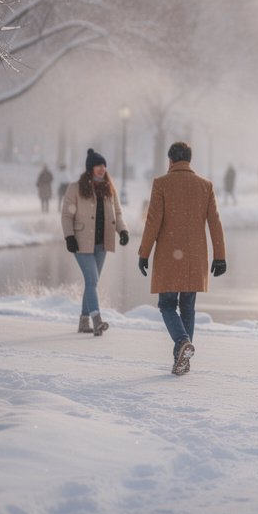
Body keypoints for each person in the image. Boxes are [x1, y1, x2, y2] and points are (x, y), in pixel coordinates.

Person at [138, 142, 227, 376]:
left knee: (167, 304)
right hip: (195, 257)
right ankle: (184, 359)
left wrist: (143, 253)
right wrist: (220, 256)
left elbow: (153, 222)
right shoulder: (205, 185)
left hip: (169, 256)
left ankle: (181, 342)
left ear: (170, 160)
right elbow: (215, 222)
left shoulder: (161, 184)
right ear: (189, 159)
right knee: (188, 306)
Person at [61, 149, 127, 336]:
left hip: (101, 244)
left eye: (104, 165)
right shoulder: (75, 187)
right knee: (92, 280)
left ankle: (83, 322)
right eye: (98, 166)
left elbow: (118, 213)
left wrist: (123, 230)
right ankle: (97, 320)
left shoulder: (109, 188)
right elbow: (66, 215)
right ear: (90, 168)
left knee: (92, 283)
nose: (102, 169)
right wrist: (69, 237)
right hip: (81, 242)